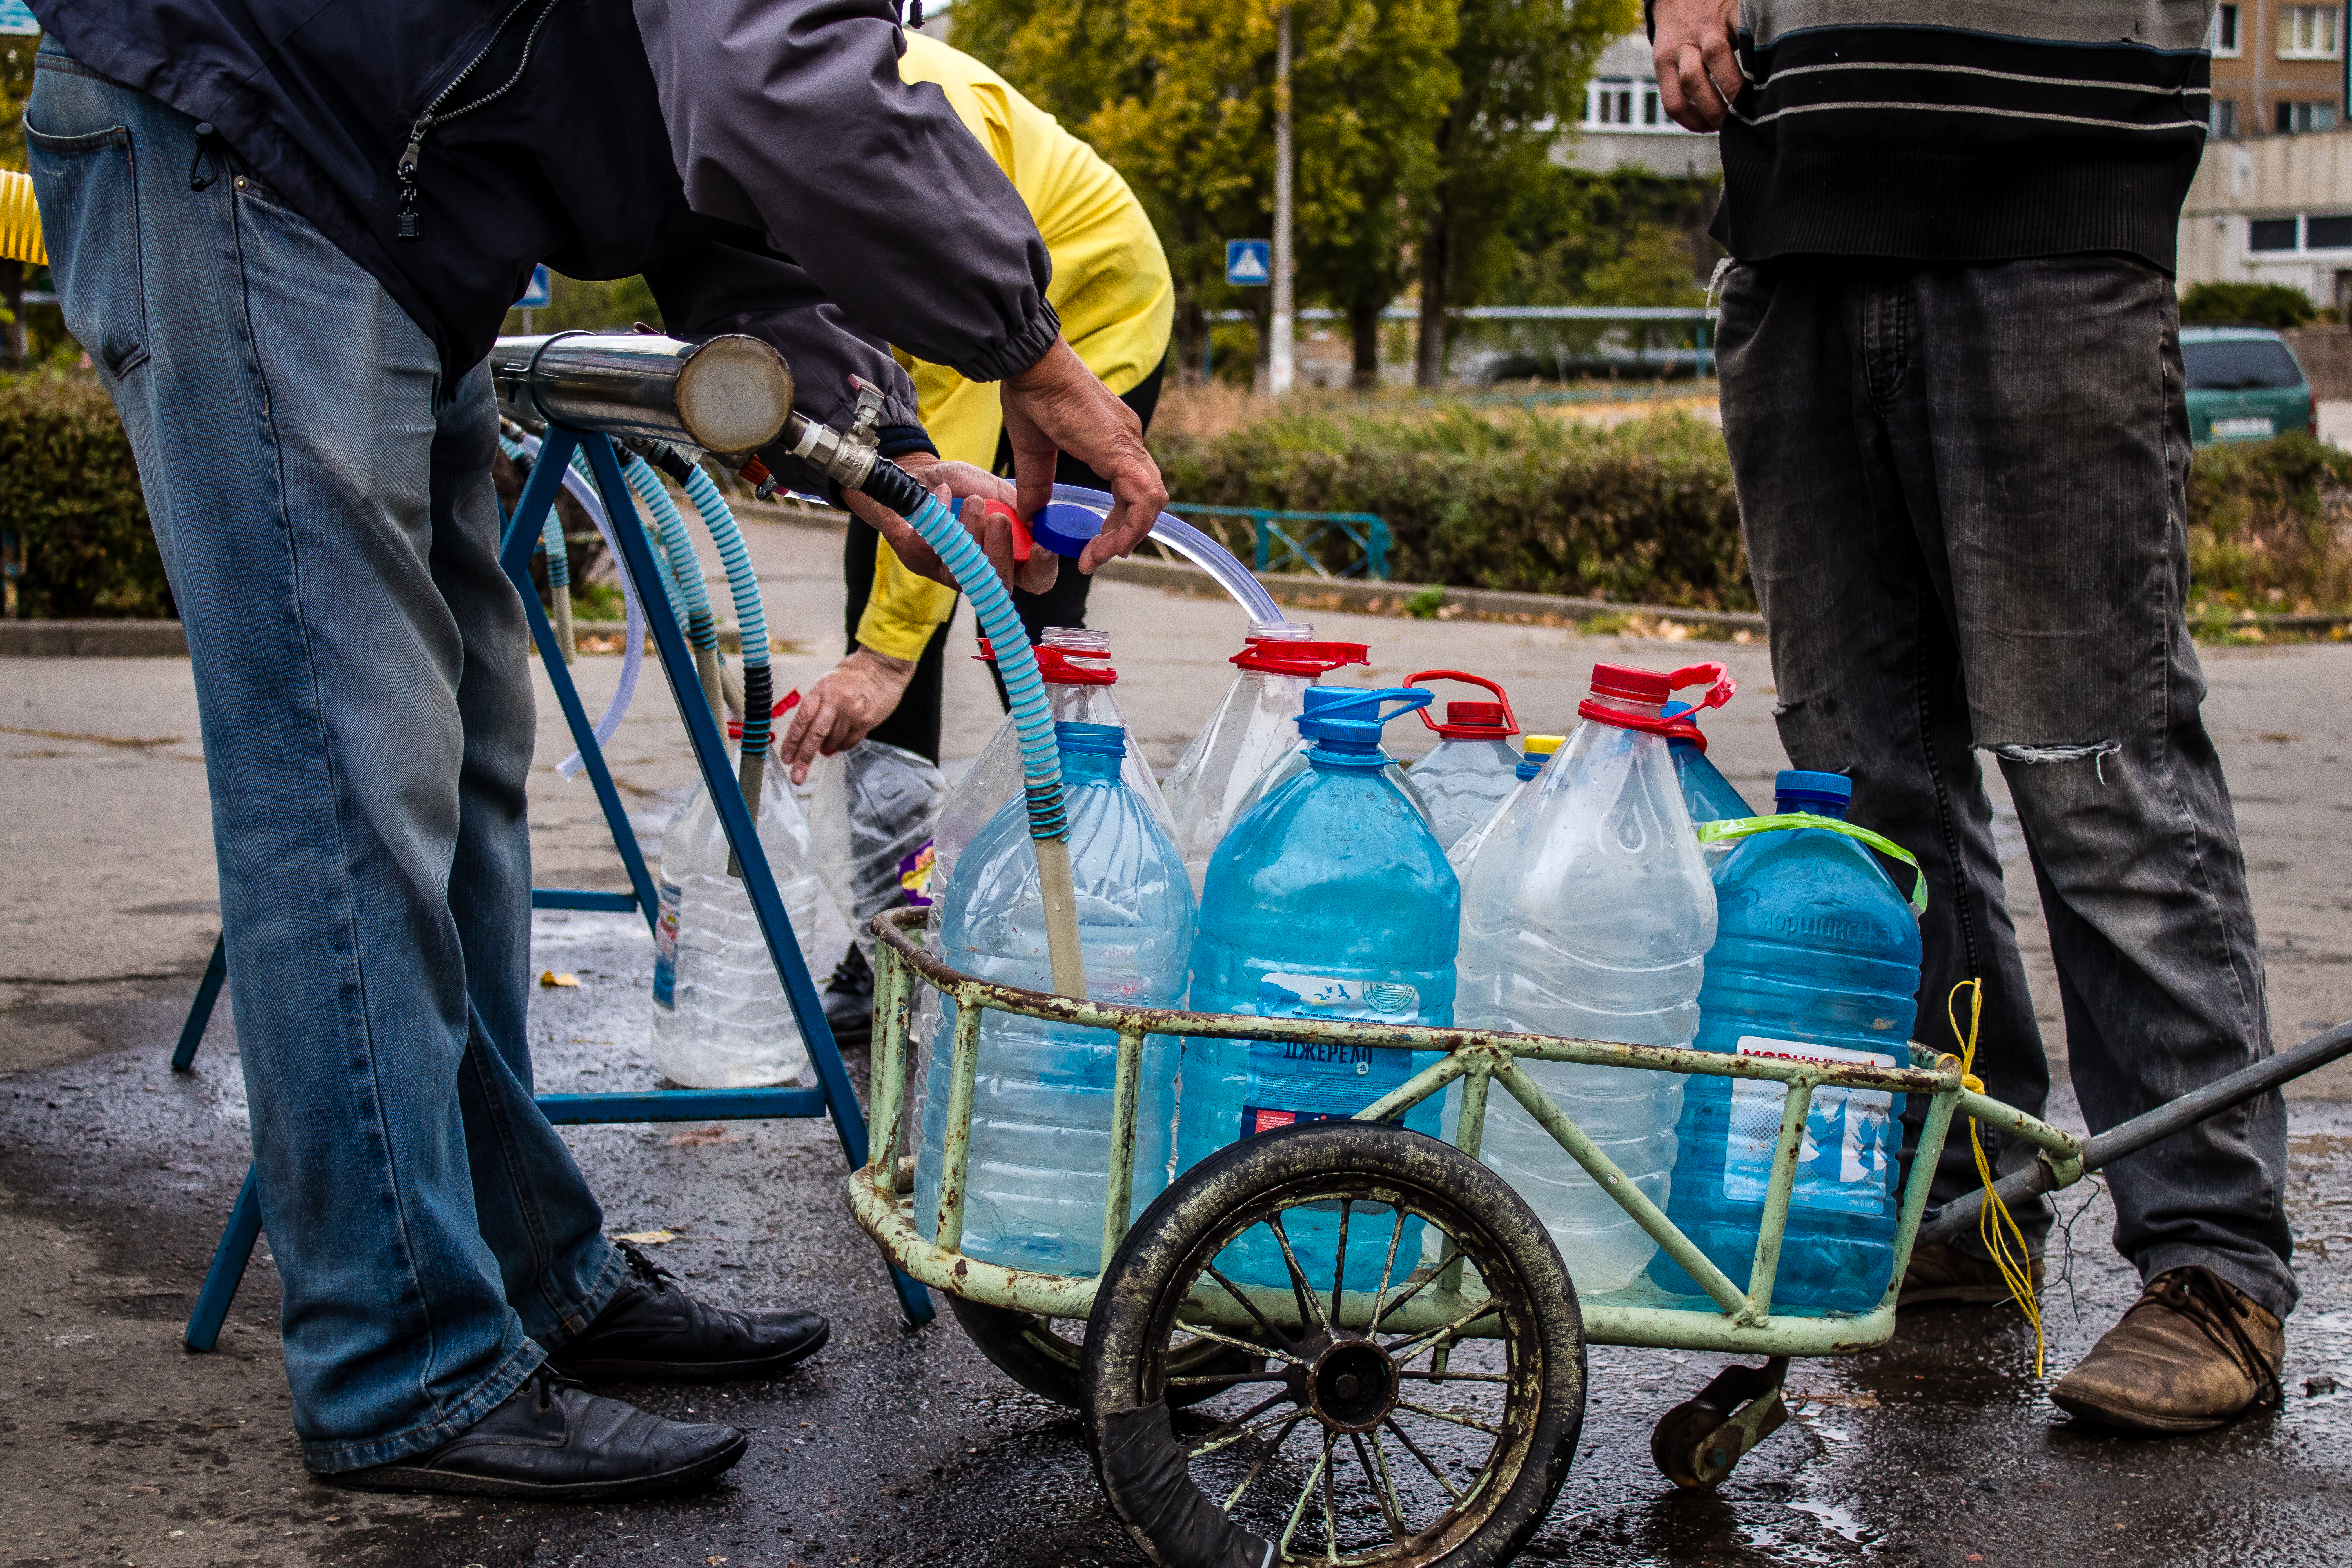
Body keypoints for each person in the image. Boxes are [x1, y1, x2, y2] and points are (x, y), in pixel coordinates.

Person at [24, 0, 1165, 1502]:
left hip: (384, 199)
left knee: (463, 753)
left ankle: (520, 1265)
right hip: (252, 139)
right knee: (342, 770)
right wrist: (1023, 342)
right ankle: (403, 1363)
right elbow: (767, 73)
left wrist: (864, 438)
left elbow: (718, 191)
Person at [1651, 0, 2290, 1433]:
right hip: (1795, 226)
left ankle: (2213, 1267)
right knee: (1867, 792)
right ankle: (1956, 1211)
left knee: (2097, 767)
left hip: (2054, 215)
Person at [771, 31, 1176, 1042]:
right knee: (886, 557)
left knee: (1031, 606)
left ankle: (1078, 922)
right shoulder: (758, 108)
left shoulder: (903, 103)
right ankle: (888, 935)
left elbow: (941, 440)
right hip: (965, 337)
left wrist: (884, 657)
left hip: (1091, 307)